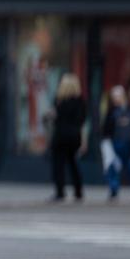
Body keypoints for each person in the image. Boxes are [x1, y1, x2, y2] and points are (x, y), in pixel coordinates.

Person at [48, 73, 86, 202]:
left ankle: (60, 192)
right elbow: (82, 120)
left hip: (61, 136)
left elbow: (55, 119)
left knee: (59, 164)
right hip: (75, 136)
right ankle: (78, 191)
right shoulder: (80, 101)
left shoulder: (60, 101)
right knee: (73, 163)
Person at [101, 84, 130, 200]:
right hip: (115, 142)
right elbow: (106, 128)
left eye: (118, 96)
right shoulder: (111, 111)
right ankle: (114, 188)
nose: (116, 99)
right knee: (113, 165)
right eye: (114, 97)